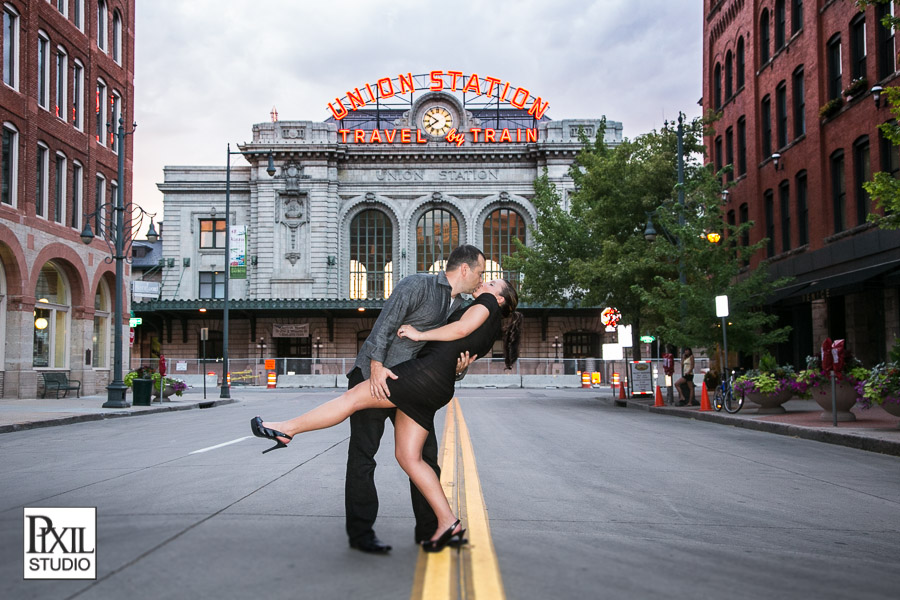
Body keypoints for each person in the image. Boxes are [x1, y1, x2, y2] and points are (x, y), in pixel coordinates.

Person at [251, 279, 522, 553]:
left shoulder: (486, 304)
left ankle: (288, 429)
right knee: (409, 457)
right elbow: (460, 349)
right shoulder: (492, 328)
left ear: (499, 299)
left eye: (491, 283)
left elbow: (461, 329)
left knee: (353, 398)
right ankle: (448, 521)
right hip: (437, 388)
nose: (484, 282)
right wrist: (457, 366)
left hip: (422, 377)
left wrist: (419, 335)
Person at [346, 245, 484, 554]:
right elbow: (385, 325)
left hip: (411, 386)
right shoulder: (417, 284)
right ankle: (360, 533)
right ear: (464, 269)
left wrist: (459, 371)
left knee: (425, 456)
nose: (481, 278)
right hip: (374, 375)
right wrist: (377, 367)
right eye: (480, 272)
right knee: (363, 454)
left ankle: (429, 530)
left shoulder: (462, 309)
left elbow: (444, 354)